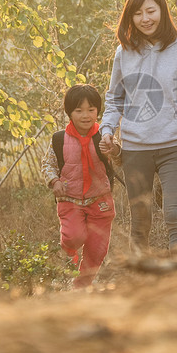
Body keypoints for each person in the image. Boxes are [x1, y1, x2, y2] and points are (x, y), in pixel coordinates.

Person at [99, 0, 177, 253]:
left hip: (174, 145)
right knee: (140, 221)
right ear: (130, 17)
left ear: (162, 11)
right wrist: (107, 129)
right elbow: (115, 99)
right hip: (135, 149)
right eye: (138, 13)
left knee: (175, 215)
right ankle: (141, 283)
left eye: (151, 11)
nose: (145, 18)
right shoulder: (123, 53)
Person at [42, 84, 119, 288]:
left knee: (97, 250)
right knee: (74, 236)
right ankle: (69, 256)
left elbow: (119, 161)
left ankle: (80, 287)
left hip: (100, 200)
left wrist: (114, 150)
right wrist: (54, 181)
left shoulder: (103, 136)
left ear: (98, 111)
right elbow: (48, 164)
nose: (86, 115)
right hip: (70, 199)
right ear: (69, 113)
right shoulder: (59, 139)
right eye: (79, 110)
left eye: (91, 110)